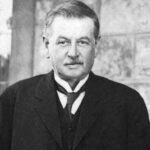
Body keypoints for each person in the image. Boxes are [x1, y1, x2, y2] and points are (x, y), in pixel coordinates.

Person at [0, 0, 150, 150]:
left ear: (96, 46)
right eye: (63, 42)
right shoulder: (14, 100)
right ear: (47, 46)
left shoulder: (128, 103)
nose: (73, 53)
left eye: (83, 42)